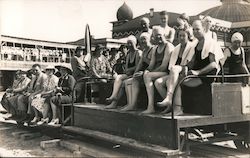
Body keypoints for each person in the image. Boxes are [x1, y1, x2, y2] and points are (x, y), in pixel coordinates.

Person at [157, 20, 224, 114]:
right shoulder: (196, 44)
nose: (195, 31)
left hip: (207, 76)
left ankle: (177, 108)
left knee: (179, 82)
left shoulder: (211, 43)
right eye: (194, 29)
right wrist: (185, 68)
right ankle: (171, 101)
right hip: (199, 74)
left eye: (198, 29)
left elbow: (214, 65)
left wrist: (198, 72)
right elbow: (191, 62)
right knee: (174, 74)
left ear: (204, 29)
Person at [155, 28, 194, 114]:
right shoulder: (176, 48)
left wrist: (177, 72)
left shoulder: (192, 47)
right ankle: (170, 105)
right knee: (158, 82)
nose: (181, 38)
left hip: (186, 71)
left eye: (184, 35)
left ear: (188, 36)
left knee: (172, 77)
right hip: (174, 72)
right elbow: (170, 66)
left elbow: (190, 64)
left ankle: (175, 106)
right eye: (180, 36)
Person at [142, 26, 174, 114]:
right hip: (159, 73)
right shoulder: (156, 48)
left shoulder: (168, 46)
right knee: (157, 82)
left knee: (148, 76)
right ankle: (170, 105)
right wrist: (147, 70)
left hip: (168, 72)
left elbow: (164, 66)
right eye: (156, 36)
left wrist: (149, 73)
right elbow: (151, 64)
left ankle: (151, 106)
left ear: (164, 34)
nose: (158, 37)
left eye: (159, 35)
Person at [105, 35, 141, 109]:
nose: (129, 45)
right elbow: (127, 67)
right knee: (118, 77)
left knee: (123, 83)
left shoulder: (138, 53)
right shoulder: (128, 54)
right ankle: (114, 96)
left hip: (136, 74)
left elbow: (138, 66)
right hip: (129, 74)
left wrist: (129, 70)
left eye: (131, 43)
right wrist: (128, 71)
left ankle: (128, 104)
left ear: (135, 43)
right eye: (128, 43)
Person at [121, 32, 154, 111]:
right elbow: (139, 66)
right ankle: (131, 104)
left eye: (144, 39)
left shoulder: (152, 49)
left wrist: (143, 71)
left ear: (149, 39)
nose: (142, 41)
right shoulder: (144, 51)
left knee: (133, 80)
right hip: (143, 74)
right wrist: (135, 74)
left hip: (150, 73)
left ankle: (133, 105)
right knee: (127, 82)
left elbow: (153, 65)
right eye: (141, 40)